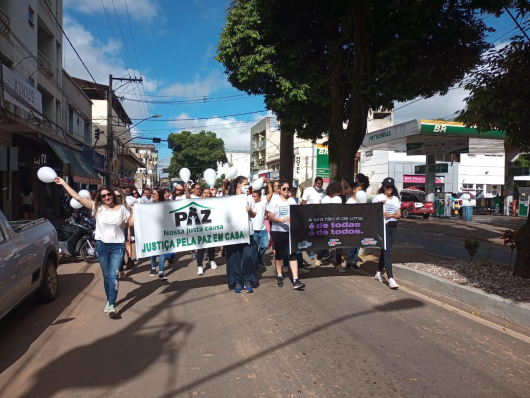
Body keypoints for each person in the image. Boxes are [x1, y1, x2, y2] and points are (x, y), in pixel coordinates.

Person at [54, 178, 133, 317]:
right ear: (100, 197)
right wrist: (64, 183)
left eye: (108, 194)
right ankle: (109, 301)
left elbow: (131, 223)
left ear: (113, 195)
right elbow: (78, 198)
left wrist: (136, 211)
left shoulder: (122, 208)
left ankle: (112, 305)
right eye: (103, 196)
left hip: (118, 246)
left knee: (113, 275)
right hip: (102, 246)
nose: (107, 197)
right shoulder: (97, 207)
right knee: (107, 275)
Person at [267, 180, 306, 290]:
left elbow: (298, 214)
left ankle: (295, 279)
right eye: (284, 189)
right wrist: (282, 220)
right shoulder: (275, 201)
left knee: (292, 254)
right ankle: (279, 276)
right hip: (278, 231)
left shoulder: (292, 201)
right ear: (279, 189)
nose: (286, 191)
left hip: (290, 231)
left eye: (288, 189)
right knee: (279, 254)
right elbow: (271, 216)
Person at [225, 176, 258, 293]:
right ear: (238, 184)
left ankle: (248, 279)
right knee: (234, 259)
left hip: (247, 233)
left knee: (248, 256)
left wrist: (249, 210)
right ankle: (237, 281)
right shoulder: (229, 199)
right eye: (245, 184)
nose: (247, 186)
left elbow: (254, 215)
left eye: (248, 184)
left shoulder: (250, 198)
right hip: (234, 234)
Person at [373, 177, 401, 289]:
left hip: (393, 227)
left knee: (385, 251)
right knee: (388, 251)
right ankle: (391, 279)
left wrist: (392, 215)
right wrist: (379, 206)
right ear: (384, 187)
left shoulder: (395, 199)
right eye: (387, 187)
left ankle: (378, 272)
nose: (390, 189)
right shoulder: (378, 198)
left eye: (391, 187)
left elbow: (399, 215)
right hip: (383, 227)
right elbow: (372, 212)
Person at [314, 182, 345, 273]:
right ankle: (319, 258)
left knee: (338, 244)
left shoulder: (329, 199)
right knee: (330, 243)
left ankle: (337, 264)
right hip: (331, 224)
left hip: (333, 224)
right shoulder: (328, 199)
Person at [149, 189, 168, 280]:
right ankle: (153, 267)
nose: (153, 195)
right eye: (153, 194)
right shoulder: (149, 205)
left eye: (155, 194)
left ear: (160, 195)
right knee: (153, 249)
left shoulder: (165, 205)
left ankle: (161, 271)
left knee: (162, 251)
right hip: (151, 231)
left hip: (162, 231)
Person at [345, 182, 363, 268]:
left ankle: (354, 262)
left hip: (361, 224)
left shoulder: (362, 200)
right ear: (354, 190)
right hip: (352, 225)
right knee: (353, 244)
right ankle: (349, 259)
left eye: (361, 190)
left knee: (358, 244)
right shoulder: (350, 201)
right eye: (359, 190)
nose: (360, 192)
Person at [251, 189, 270, 268]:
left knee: (265, 245)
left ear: (259, 197)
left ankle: (258, 259)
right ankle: (255, 266)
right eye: (252, 196)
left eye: (255, 196)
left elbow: (270, 193)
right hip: (253, 230)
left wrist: (268, 183)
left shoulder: (263, 201)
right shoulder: (250, 203)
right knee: (254, 249)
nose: (253, 198)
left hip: (263, 229)